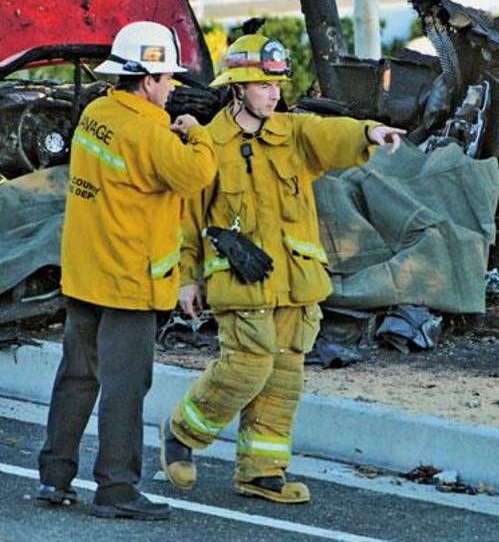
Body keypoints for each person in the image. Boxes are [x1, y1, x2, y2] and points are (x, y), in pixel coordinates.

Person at [159, 33, 405, 503]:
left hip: (296, 284)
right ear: (238, 88)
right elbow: (187, 220)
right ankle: (182, 434)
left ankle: (262, 472)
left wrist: (368, 131)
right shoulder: (208, 144)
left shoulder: (291, 133)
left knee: (283, 379)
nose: (274, 93)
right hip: (241, 284)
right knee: (246, 369)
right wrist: (187, 279)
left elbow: (328, 134)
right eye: (263, 85)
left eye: (277, 85)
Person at [37, 20, 216, 520]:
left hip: (86, 273)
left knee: (76, 377)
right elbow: (197, 176)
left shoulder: (97, 112)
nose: (173, 88)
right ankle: (116, 489)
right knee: (124, 389)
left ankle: (55, 476)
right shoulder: (151, 130)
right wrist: (197, 135)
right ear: (147, 79)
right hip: (131, 283)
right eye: (167, 79)